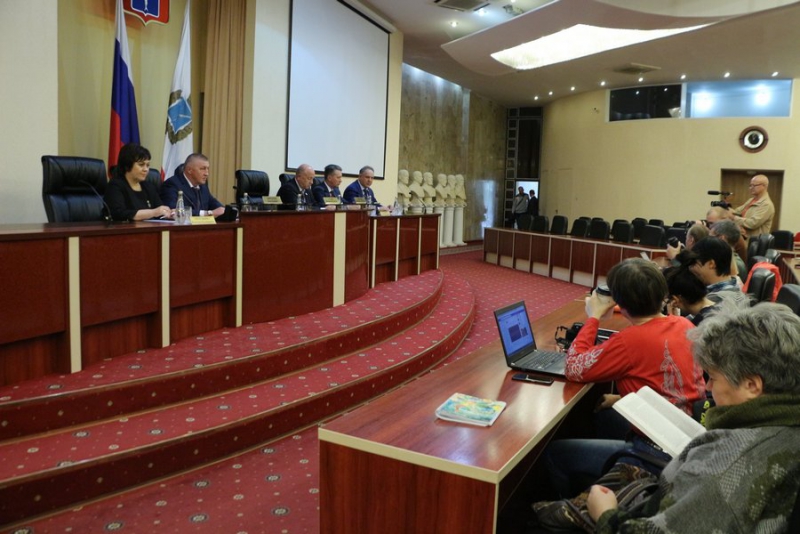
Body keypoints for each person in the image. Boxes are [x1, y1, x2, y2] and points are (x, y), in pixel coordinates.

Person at [587, 303, 800, 533]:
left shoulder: (724, 467)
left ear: (751, 385)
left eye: (714, 378)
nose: (707, 387)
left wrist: (606, 515)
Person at [544, 258, 706, 496]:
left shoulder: (630, 341)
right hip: (685, 434)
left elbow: (574, 367)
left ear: (620, 302)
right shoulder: (683, 324)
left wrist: (594, 316)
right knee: (605, 414)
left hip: (658, 450)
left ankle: (583, 508)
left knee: (556, 453)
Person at [105, 143, 172, 222]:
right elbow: (118, 214)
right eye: (141, 165)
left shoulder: (148, 187)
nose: (146, 169)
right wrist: (153, 212)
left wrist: (170, 213)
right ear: (127, 166)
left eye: (147, 165)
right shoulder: (115, 186)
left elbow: (159, 210)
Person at [687, 237, 749, 308]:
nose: (691, 268)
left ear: (711, 264)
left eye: (694, 264)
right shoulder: (736, 289)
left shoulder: (712, 301)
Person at [160, 153, 225, 217]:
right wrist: (208, 213)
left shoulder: (203, 186)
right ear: (189, 170)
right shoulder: (172, 184)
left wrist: (225, 211)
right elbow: (173, 211)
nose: (206, 173)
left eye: (208, 169)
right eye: (202, 169)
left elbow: (215, 205)